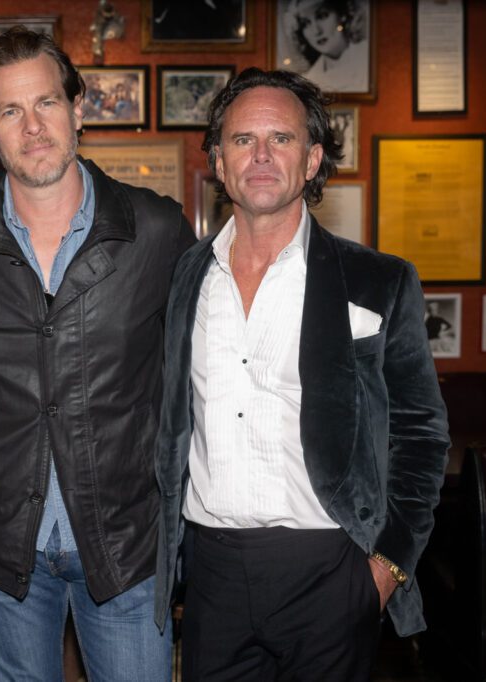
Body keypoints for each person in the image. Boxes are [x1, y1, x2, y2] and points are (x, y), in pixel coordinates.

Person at [153, 67, 450, 681]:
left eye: (281, 139)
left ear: (312, 159)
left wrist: (385, 571)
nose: (260, 155)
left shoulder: (378, 281)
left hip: (331, 570)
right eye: (241, 140)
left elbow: (422, 438)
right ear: (217, 159)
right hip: (211, 576)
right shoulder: (185, 278)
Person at [0, 26, 197, 682]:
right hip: (0, 547)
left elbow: (196, 378)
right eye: (10, 111)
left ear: (78, 109)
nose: (33, 126)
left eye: (46, 102)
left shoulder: (156, 232)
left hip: (129, 545)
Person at [285, 0, 369, 93]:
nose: (316, 31)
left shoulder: (368, 58)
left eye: (322, 16)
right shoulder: (309, 80)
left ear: (342, 14)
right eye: (306, 23)